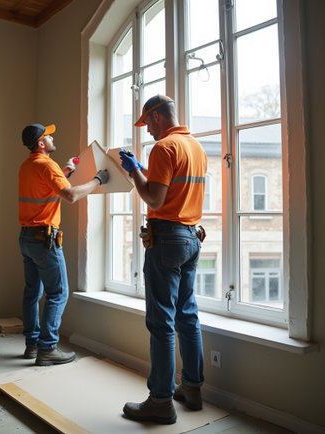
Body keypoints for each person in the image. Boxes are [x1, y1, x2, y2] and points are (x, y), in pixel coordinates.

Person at [119, 95, 207, 424]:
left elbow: (154, 198)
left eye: (148, 124)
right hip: (190, 236)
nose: (149, 132)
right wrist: (142, 170)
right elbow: (172, 189)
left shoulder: (163, 148)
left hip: (167, 238)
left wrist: (132, 173)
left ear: (156, 117)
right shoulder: (195, 147)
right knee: (187, 315)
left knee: (161, 323)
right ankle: (192, 389)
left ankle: (160, 402)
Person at [19, 123, 108, 366]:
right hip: (43, 240)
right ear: (41, 143)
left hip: (27, 238)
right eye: (48, 136)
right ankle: (47, 349)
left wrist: (68, 169)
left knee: (32, 293)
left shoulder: (28, 165)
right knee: (58, 293)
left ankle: (32, 344)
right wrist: (97, 180)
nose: (53, 137)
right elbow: (69, 195)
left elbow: (49, 186)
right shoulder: (47, 165)